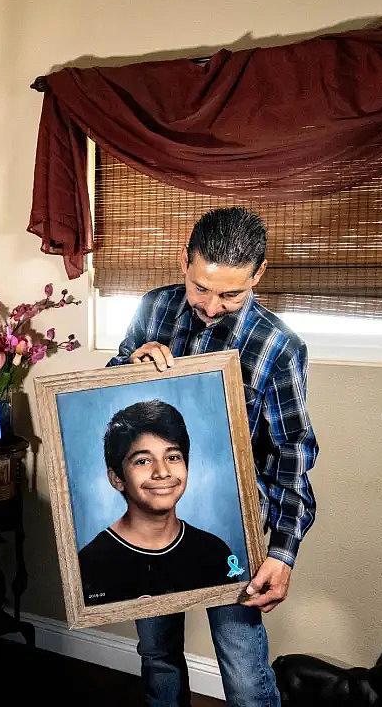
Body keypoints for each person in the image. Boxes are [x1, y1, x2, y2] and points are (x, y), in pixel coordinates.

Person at [108, 207, 318, 707]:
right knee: (156, 651)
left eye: (231, 293)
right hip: (152, 521)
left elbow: (292, 452)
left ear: (258, 275)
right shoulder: (153, 308)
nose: (212, 305)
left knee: (244, 668)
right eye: (202, 287)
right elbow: (107, 397)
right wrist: (127, 366)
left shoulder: (279, 346)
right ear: (185, 260)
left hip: (232, 527)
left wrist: (283, 552)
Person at [78, 400, 235, 609]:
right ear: (116, 478)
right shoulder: (91, 563)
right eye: (143, 461)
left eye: (173, 457)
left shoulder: (214, 551)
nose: (162, 472)